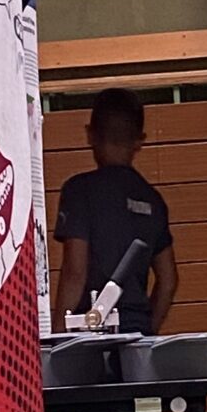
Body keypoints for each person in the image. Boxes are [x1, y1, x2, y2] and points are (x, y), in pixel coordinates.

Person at [53, 87, 177, 331]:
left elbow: (75, 273)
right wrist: (146, 328)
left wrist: (55, 339)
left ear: (90, 135)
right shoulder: (152, 200)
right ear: (140, 141)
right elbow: (168, 280)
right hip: (136, 333)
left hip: (90, 333)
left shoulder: (80, 191)